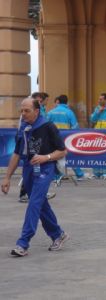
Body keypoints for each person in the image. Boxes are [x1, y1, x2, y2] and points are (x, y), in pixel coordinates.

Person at [1, 97, 70, 257]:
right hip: (28, 169)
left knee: (34, 203)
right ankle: (58, 234)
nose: (23, 114)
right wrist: (7, 177)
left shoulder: (48, 126)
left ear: (37, 111)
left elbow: (63, 151)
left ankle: (23, 243)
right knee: (41, 205)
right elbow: (17, 154)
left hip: (45, 168)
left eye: (27, 111)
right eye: (21, 111)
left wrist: (45, 157)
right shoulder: (23, 127)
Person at [47, 95, 87, 180]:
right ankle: (79, 174)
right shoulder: (69, 112)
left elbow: (46, 126)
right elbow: (75, 126)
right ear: (66, 102)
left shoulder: (51, 112)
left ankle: (56, 175)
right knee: (70, 156)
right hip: (66, 138)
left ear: (58, 101)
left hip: (53, 138)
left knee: (54, 156)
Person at [90, 93, 106, 179]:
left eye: (101, 99)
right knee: (95, 153)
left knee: (105, 153)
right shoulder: (97, 108)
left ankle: (104, 173)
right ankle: (95, 173)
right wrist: (97, 112)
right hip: (97, 134)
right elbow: (92, 119)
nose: (99, 101)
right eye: (99, 99)